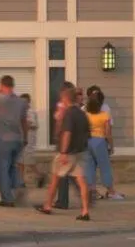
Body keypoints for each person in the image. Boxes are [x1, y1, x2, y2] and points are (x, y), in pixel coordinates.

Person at [36, 82, 91, 221]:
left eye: (63, 98)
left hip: (68, 153)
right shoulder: (82, 114)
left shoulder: (69, 114)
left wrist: (64, 152)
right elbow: (87, 133)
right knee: (81, 181)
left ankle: (47, 205)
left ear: (67, 99)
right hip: (80, 152)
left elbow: (67, 133)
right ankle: (85, 210)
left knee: (54, 179)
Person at [0, 75, 27, 207]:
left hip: (4, 138)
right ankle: (18, 187)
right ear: (13, 85)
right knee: (13, 167)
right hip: (18, 138)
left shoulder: (0, 100)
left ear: (2, 85)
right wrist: (25, 138)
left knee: (2, 169)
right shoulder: (21, 102)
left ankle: (7, 198)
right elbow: (24, 121)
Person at [21, 93, 42, 188]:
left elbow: (33, 125)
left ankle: (40, 176)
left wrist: (25, 125)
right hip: (22, 139)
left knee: (29, 161)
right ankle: (21, 181)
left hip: (29, 140)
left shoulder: (30, 112)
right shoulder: (22, 112)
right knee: (20, 161)